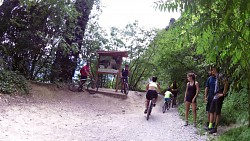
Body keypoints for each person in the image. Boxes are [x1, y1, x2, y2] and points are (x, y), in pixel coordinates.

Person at [208, 66, 229, 134]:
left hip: (219, 93)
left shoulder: (220, 75)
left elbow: (226, 83)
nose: (211, 71)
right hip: (216, 94)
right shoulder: (217, 76)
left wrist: (223, 93)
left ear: (214, 70)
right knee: (211, 110)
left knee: (217, 112)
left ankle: (215, 127)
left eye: (212, 70)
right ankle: (211, 126)